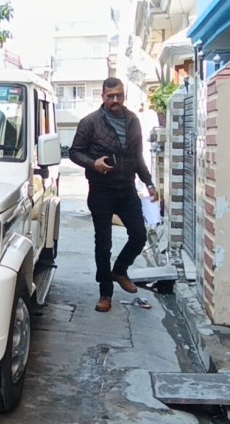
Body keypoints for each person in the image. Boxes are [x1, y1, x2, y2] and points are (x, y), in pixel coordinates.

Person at [69, 77, 159, 313]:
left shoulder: (132, 120)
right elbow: (74, 152)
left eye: (119, 95)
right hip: (101, 190)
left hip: (127, 189)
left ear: (124, 96)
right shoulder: (90, 122)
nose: (115, 100)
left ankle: (119, 270)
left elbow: (137, 156)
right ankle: (105, 293)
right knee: (103, 244)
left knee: (139, 235)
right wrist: (93, 163)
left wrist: (148, 182)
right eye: (110, 96)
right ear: (103, 97)